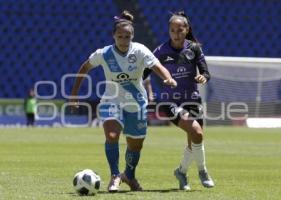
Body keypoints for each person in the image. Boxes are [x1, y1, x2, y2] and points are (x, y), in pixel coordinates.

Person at [70, 10, 177, 192]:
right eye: (120, 36)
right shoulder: (104, 54)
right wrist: (74, 95)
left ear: (132, 36)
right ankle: (114, 175)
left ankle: (129, 175)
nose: (123, 40)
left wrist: (168, 78)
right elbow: (84, 67)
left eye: (127, 36)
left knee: (136, 144)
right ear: (114, 36)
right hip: (111, 100)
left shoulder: (140, 50)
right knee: (112, 136)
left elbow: (158, 66)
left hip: (136, 102)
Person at [143, 11, 214, 190]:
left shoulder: (194, 48)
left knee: (195, 139)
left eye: (180, 30)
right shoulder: (159, 51)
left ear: (186, 29)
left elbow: (205, 72)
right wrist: (146, 90)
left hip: (193, 99)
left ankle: (181, 171)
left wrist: (203, 77)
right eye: (173, 30)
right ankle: (202, 171)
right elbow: (143, 73)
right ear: (169, 31)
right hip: (170, 101)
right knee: (197, 133)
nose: (176, 34)